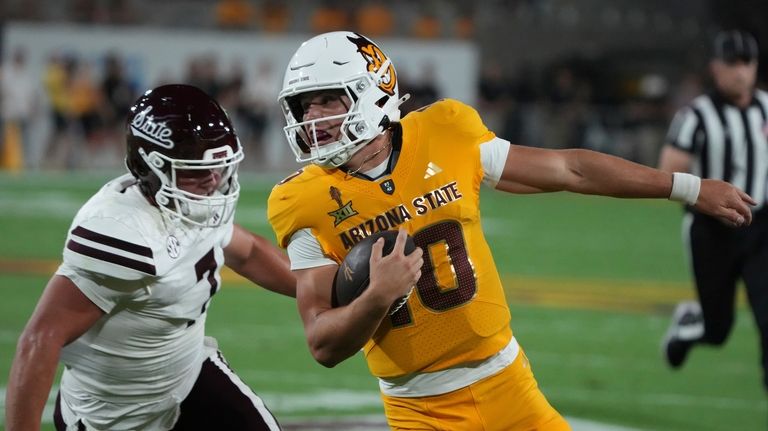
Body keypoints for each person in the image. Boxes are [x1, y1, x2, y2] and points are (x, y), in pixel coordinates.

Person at [267, 31, 755, 430]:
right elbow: (322, 344)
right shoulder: (300, 199)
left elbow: (571, 169)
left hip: (509, 384)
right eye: (304, 106)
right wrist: (376, 298)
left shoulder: (447, 131)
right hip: (420, 410)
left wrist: (687, 187)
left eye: (327, 101)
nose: (313, 119)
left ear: (373, 92)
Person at [6, 84, 295, 431]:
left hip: (188, 376)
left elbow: (247, 253)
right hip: (113, 415)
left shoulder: (191, 202)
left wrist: (326, 290)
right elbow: (41, 338)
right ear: (151, 167)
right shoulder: (122, 231)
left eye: (218, 166)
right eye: (196, 170)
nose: (213, 180)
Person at [660, 29, 768, 388]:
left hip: (760, 226)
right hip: (711, 229)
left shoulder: (767, 108)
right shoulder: (696, 115)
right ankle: (691, 325)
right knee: (718, 329)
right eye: (732, 63)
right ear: (715, 68)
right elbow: (668, 171)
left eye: (747, 63)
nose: (740, 72)